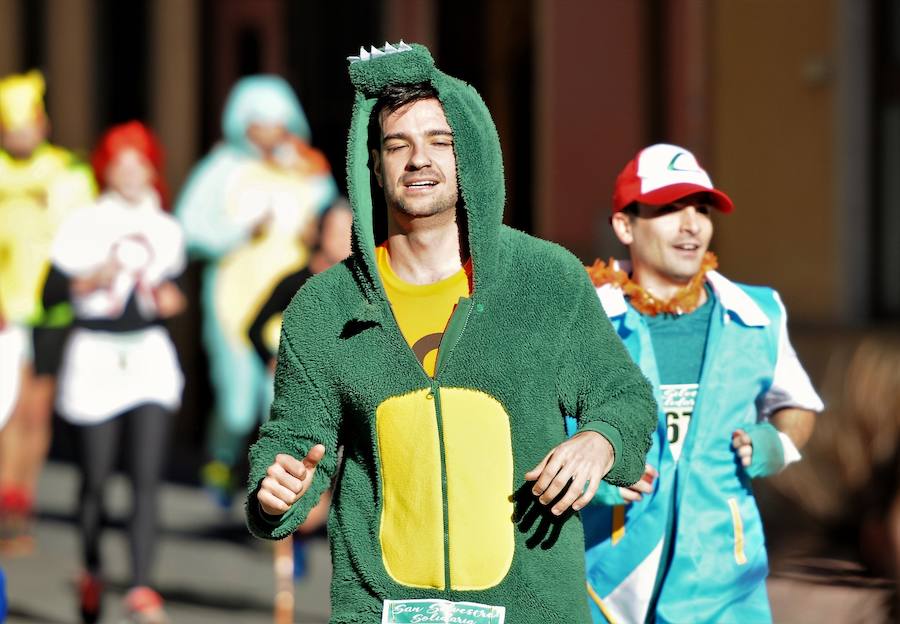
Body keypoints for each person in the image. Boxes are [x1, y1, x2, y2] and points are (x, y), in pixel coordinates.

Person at [245, 42, 657, 623]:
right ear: (374, 165)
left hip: (531, 608)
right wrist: (278, 488)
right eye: (398, 145)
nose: (419, 160)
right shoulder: (324, 306)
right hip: (379, 610)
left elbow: (625, 396)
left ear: (472, 155)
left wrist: (602, 439)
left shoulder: (544, 279)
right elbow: (292, 437)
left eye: (440, 141)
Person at [580, 143, 824, 623]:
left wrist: (780, 441)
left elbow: (798, 405)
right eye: (670, 209)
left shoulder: (758, 314)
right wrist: (586, 470)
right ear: (625, 225)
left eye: (701, 209)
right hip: (606, 578)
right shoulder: (584, 315)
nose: (692, 224)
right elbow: (537, 417)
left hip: (723, 582)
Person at [44, 121, 185, 623]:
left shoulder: (167, 227)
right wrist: (88, 279)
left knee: (146, 478)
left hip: (147, 356)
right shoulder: (84, 223)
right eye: (121, 162)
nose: (131, 172)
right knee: (96, 481)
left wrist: (173, 301)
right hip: (96, 357)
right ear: (107, 168)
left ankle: (143, 585)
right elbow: (50, 294)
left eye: (139, 161)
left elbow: (173, 288)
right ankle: (93, 567)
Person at [175, 75, 337, 504]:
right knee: (237, 401)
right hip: (233, 301)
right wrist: (239, 232)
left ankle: (278, 493)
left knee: (278, 402)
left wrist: (316, 231)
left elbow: (336, 225)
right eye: (258, 122)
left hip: (290, 302)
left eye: (276, 122)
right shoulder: (222, 169)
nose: (268, 132)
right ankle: (223, 456)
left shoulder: (307, 170)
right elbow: (188, 228)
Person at [0, 70, 96, 551]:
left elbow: (84, 238)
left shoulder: (68, 172)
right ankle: (5, 498)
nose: (19, 135)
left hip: (52, 310)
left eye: (27, 124)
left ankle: (22, 501)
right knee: (9, 411)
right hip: (5, 311)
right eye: (10, 126)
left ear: (44, 124)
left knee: (37, 412)